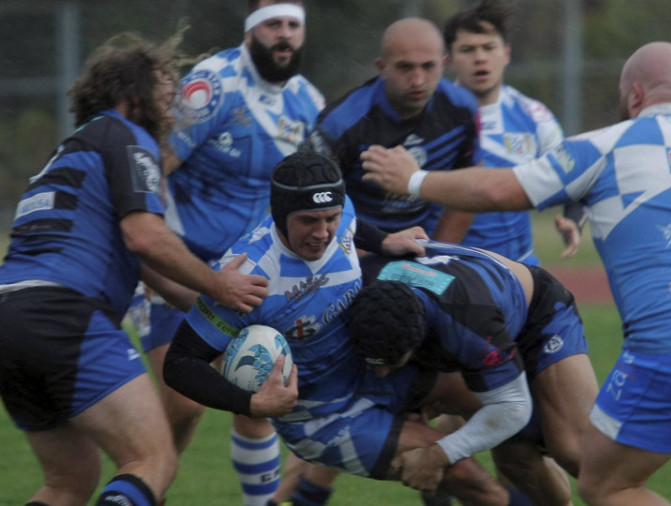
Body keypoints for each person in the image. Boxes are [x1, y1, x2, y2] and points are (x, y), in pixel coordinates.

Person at [358, 41, 671, 506]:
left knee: (606, 486)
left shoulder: (604, 147)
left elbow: (498, 190)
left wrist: (416, 179)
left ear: (635, 94)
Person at [163, 149, 528, 506]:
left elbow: (352, 223)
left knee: (503, 417)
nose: (323, 232)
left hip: (374, 369)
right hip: (322, 414)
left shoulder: (339, 215)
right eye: (308, 220)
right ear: (279, 214)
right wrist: (252, 404)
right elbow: (179, 363)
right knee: (465, 476)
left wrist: (385, 239)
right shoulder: (248, 277)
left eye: (330, 218)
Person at [0, 32, 268, 506]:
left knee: (69, 483)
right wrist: (220, 284)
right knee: (154, 461)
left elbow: (143, 262)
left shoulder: (69, 153)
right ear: (132, 96)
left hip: (12, 318)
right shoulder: (127, 136)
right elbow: (146, 236)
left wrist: (218, 310)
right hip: (66, 315)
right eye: (166, 95)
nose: (174, 109)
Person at [130, 1, 324, 504]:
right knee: (183, 405)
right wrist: (157, 255)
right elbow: (155, 169)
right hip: (182, 265)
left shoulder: (307, 101)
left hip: (253, 276)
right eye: (273, 24)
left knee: (257, 390)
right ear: (251, 29)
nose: (284, 35)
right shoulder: (212, 85)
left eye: (293, 26)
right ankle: (145, 488)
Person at [346, 241, 599, 506]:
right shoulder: (356, 289)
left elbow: (512, 407)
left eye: (391, 363)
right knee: (516, 458)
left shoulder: (467, 325)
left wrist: (439, 454)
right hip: (462, 312)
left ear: (418, 341)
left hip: (537, 314)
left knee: (575, 452)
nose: (381, 373)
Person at [304, 17, 481, 243]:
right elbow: (307, 202)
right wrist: (373, 252)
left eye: (428, 66)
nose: (417, 80)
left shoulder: (462, 109)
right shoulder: (341, 123)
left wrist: (438, 255)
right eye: (405, 67)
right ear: (382, 67)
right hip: (353, 249)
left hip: (422, 247)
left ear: (443, 64)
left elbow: (466, 190)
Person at [444, 0, 574, 264]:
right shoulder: (434, 116)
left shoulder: (534, 116)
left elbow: (574, 175)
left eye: (488, 48)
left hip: (520, 268)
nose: (480, 57)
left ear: (506, 53)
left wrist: (572, 217)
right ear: (449, 60)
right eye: (468, 50)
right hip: (453, 267)